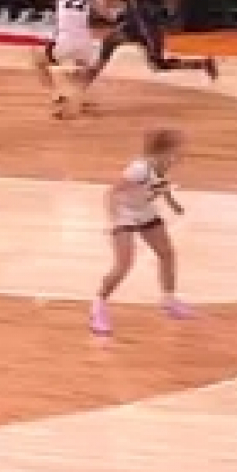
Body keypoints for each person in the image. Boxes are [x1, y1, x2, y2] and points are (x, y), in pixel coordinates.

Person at [90, 129, 190, 337]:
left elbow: (162, 186)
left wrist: (174, 205)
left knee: (166, 253)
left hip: (144, 210)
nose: (181, 154)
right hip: (124, 212)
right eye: (177, 149)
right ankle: (98, 305)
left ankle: (169, 300)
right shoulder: (139, 169)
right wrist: (114, 219)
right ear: (164, 150)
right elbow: (112, 192)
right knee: (124, 264)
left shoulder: (162, 166)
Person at [84, 0, 218, 85]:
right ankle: (86, 80)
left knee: (158, 65)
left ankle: (202, 64)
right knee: (109, 42)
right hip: (133, 26)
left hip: (149, 30)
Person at [25, 0, 122, 118]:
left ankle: (57, 94)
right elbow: (108, 16)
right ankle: (78, 97)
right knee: (82, 73)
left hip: (63, 42)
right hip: (86, 44)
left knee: (38, 59)